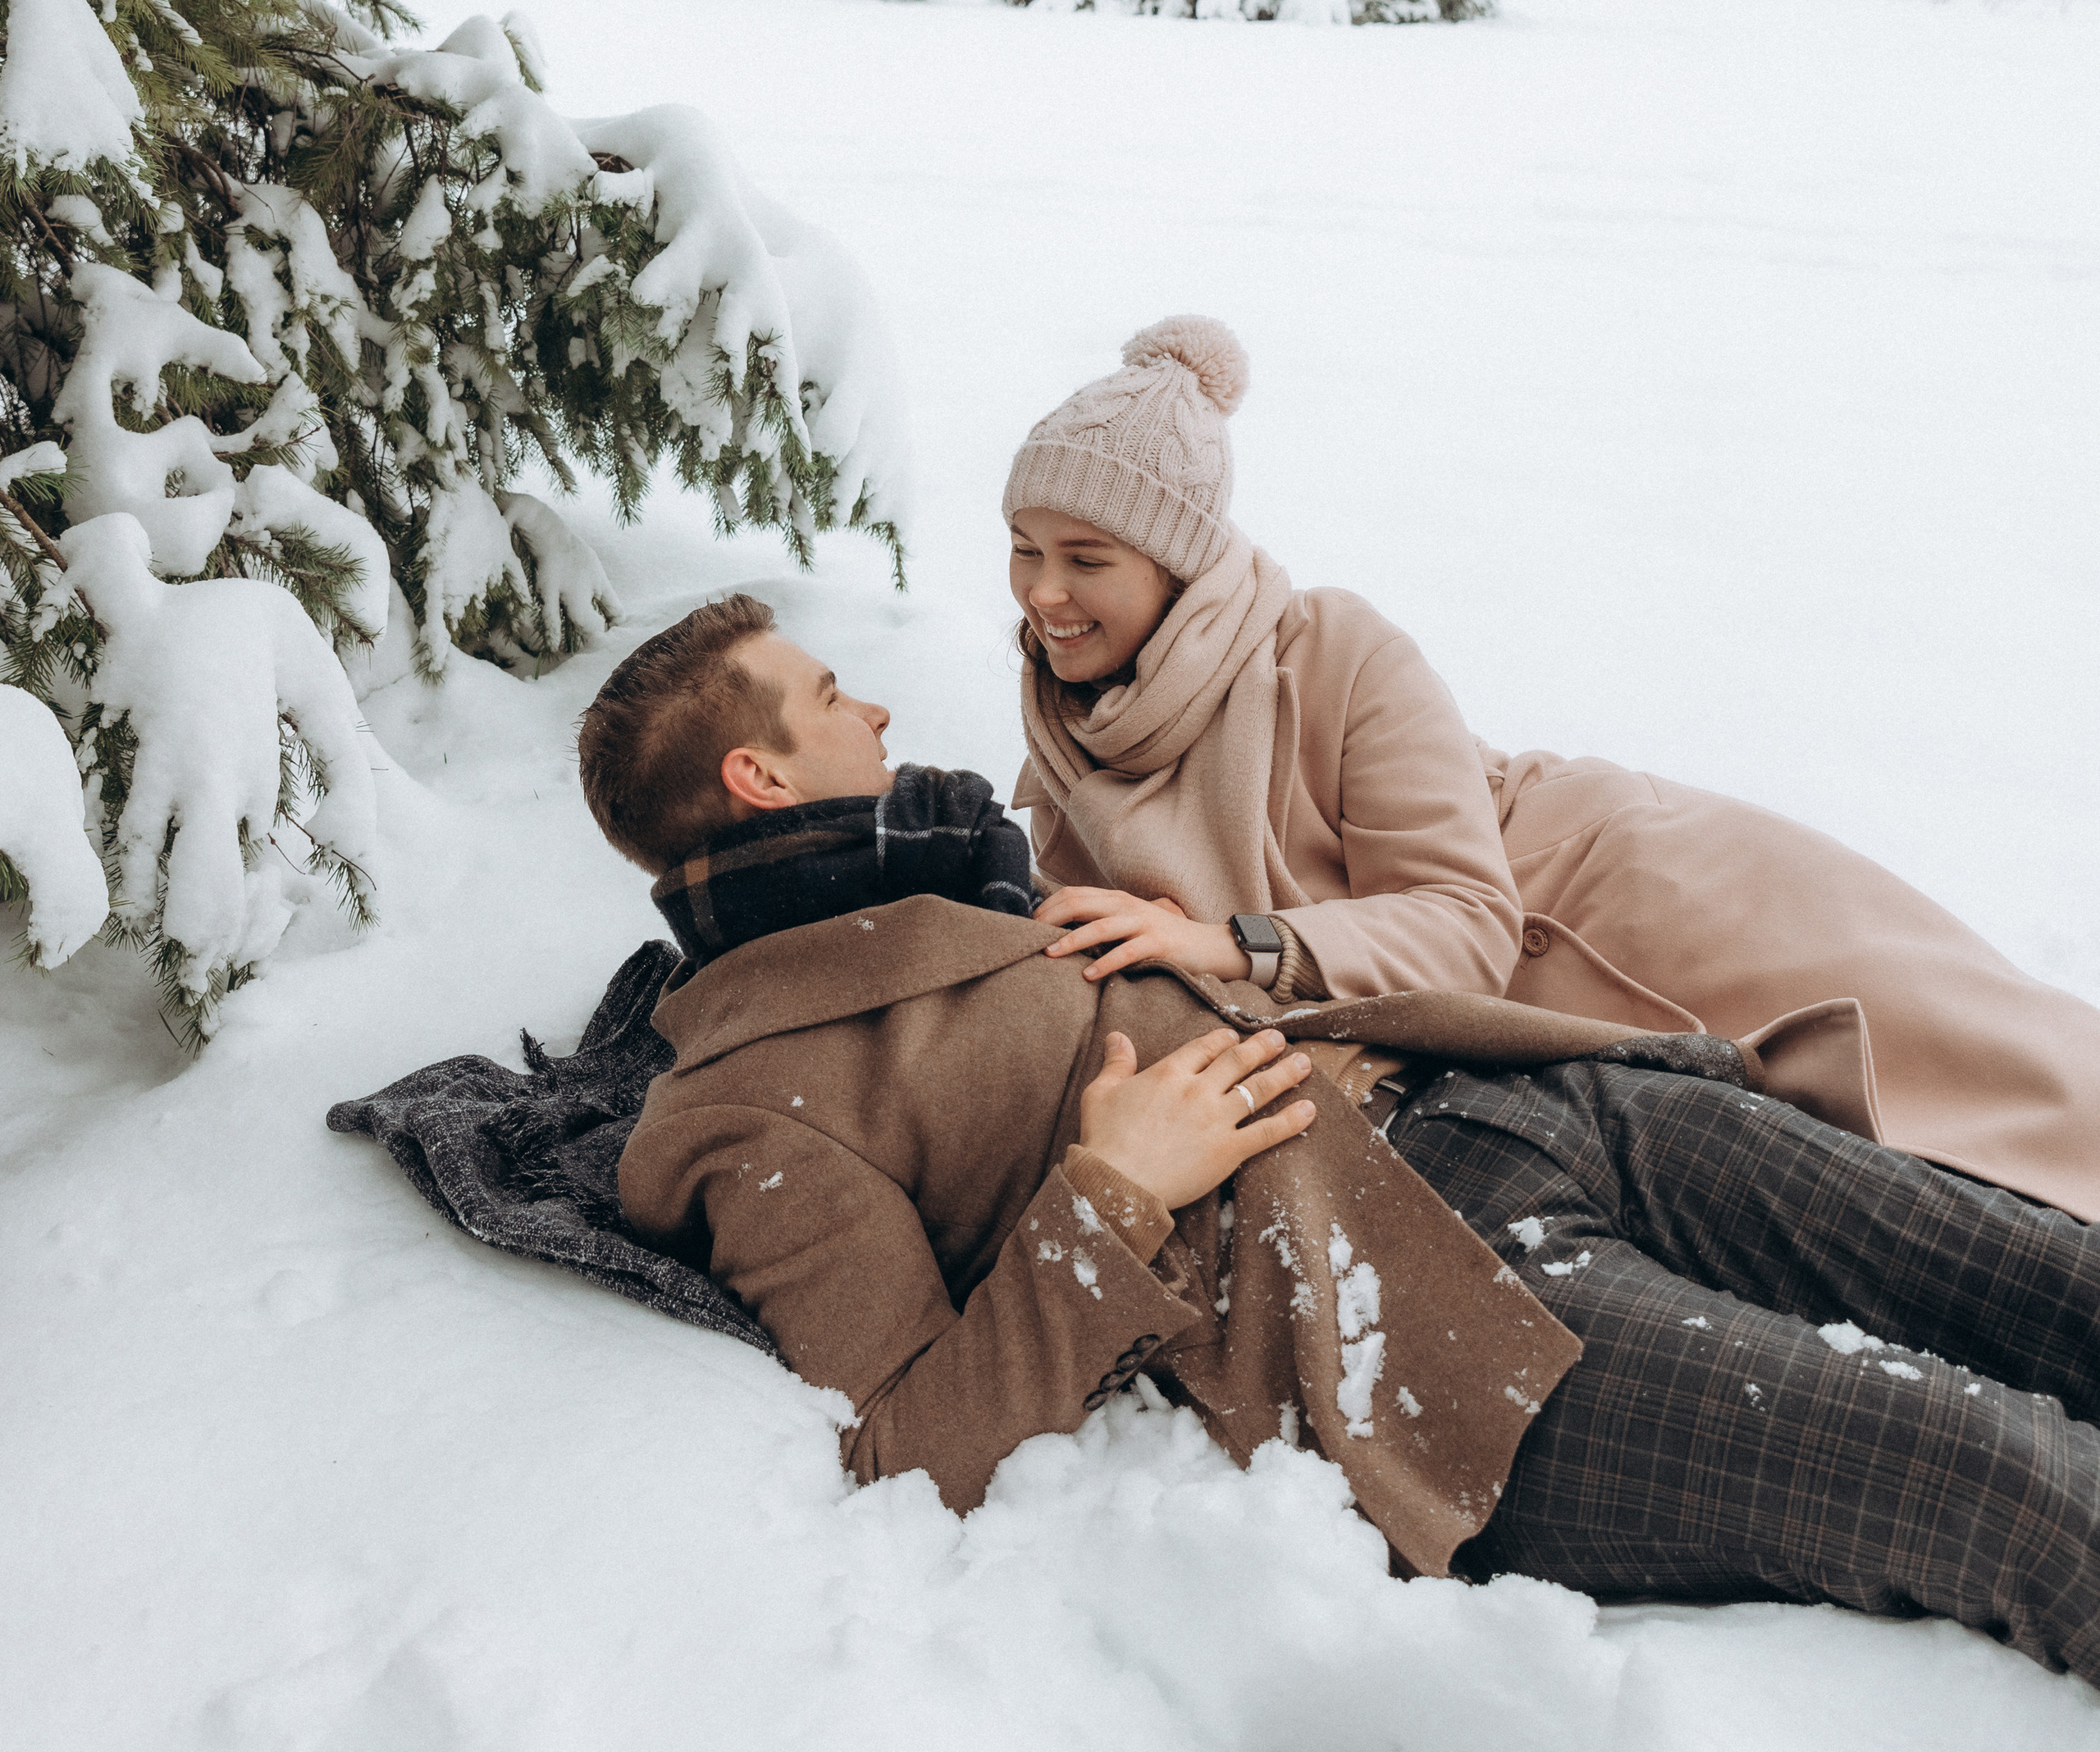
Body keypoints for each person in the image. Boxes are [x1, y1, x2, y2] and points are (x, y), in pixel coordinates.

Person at [591, 593, 2100, 1685]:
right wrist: (1108, 1195)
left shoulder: (965, 869)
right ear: (760, 778)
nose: (878, 709)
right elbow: (907, 1447)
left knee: (2032, 1274)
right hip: (1408, 1330)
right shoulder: (746, 1101)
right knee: (1987, 1479)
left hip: (1515, 1102)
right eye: (832, 694)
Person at [1007, 316, 2100, 1220]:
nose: (1044, 593)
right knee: (1911, 1173)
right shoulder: (1070, 737)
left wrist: (1236, 945)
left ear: (1181, 560)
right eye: (1026, 549)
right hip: (1528, 1033)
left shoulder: (1333, 648)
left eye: (1087, 561)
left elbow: (1465, 917)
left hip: (1621, 898)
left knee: (1993, 1065)